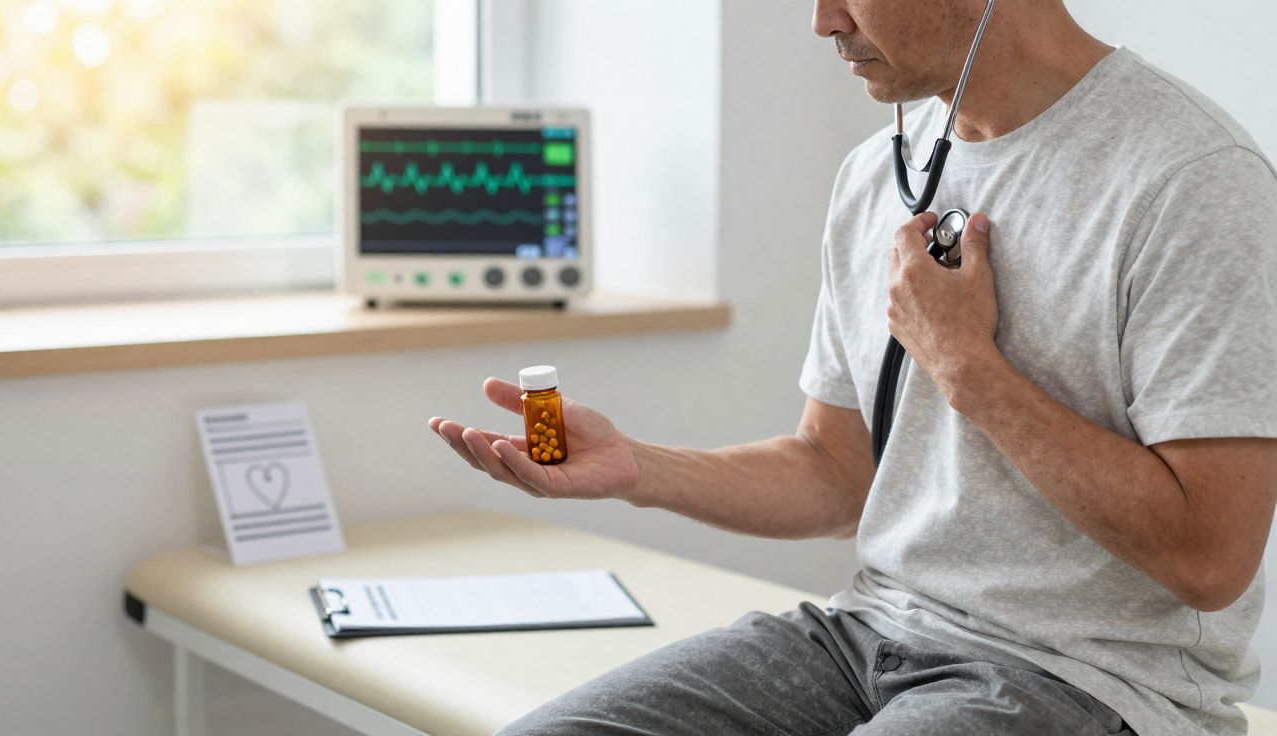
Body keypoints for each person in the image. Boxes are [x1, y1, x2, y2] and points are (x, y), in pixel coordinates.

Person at [428, 1, 1277, 733]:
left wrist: (967, 366)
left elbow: (1210, 560)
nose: (823, 20)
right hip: (866, 634)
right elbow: (838, 474)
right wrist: (638, 469)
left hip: (1088, 682)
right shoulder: (879, 174)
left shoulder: (1191, 184)